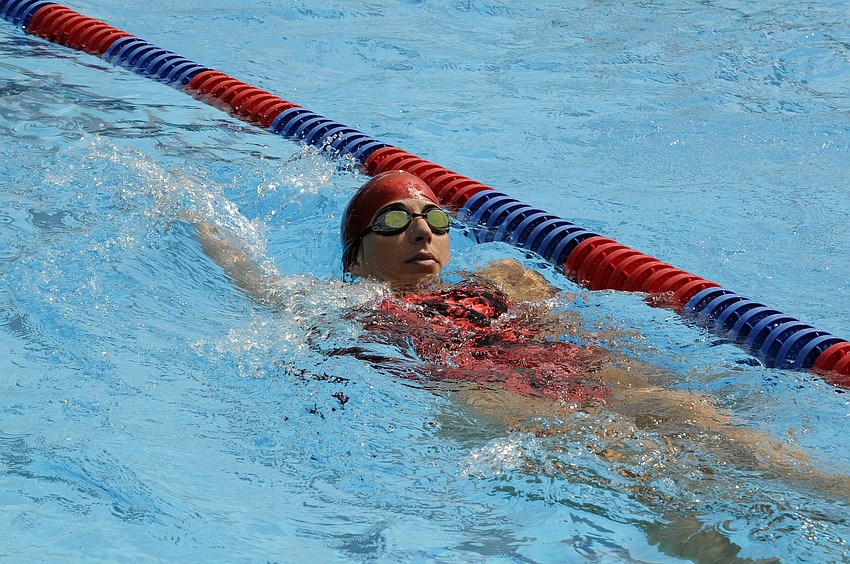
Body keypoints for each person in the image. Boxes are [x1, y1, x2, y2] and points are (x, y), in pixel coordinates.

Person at [191, 170, 849, 562]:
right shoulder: (347, 297)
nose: (422, 231)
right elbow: (254, 276)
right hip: (484, 389)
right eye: (395, 219)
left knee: (702, 422)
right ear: (356, 254)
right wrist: (193, 218)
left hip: (566, 365)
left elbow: (574, 321)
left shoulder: (504, 276)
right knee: (638, 468)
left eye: (433, 217)